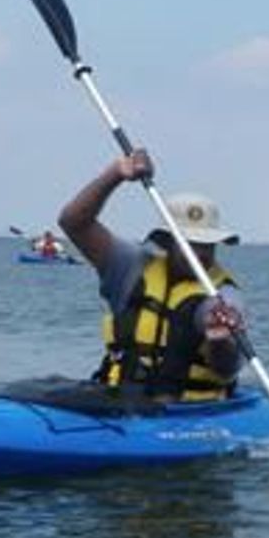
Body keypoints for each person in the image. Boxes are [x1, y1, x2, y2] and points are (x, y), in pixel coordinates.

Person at [57, 148, 247, 402]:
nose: (200, 253)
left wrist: (220, 341)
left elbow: (227, 368)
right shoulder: (129, 266)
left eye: (207, 245)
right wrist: (115, 175)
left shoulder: (223, 297)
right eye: (190, 243)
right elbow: (73, 223)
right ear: (166, 241)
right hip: (118, 401)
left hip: (189, 412)